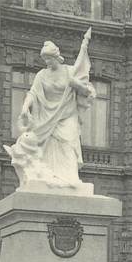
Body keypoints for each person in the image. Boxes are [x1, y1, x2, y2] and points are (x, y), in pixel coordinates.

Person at [19, 28, 95, 187]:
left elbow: (88, 91)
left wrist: (78, 85)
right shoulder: (41, 75)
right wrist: (25, 107)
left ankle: (70, 178)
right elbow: (33, 93)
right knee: (49, 149)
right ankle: (51, 178)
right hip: (47, 116)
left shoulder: (70, 71)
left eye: (49, 58)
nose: (47, 62)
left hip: (67, 115)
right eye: (45, 59)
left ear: (56, 57)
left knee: (68, 142)